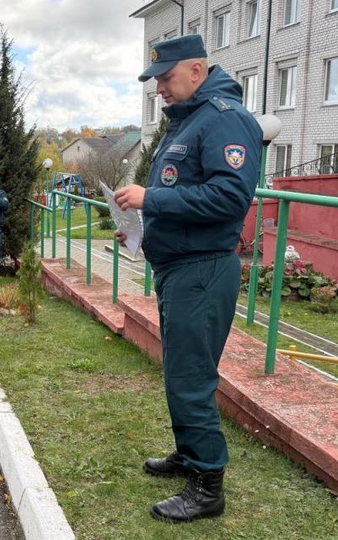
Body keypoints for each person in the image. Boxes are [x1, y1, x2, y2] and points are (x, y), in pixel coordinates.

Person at [114, 34, 261, 523]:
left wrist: (148, 200)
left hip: (202, 271)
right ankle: (188, 453)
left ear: (196, 71)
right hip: (179, 268)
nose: (159, 88)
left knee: (191, 378)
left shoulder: (223, 119)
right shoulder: (190, 122)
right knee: (181, 373)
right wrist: (139, 232)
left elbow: (228, 198)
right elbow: (185, 194)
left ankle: (207, 485)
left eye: (165, 77)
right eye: (156, 79)